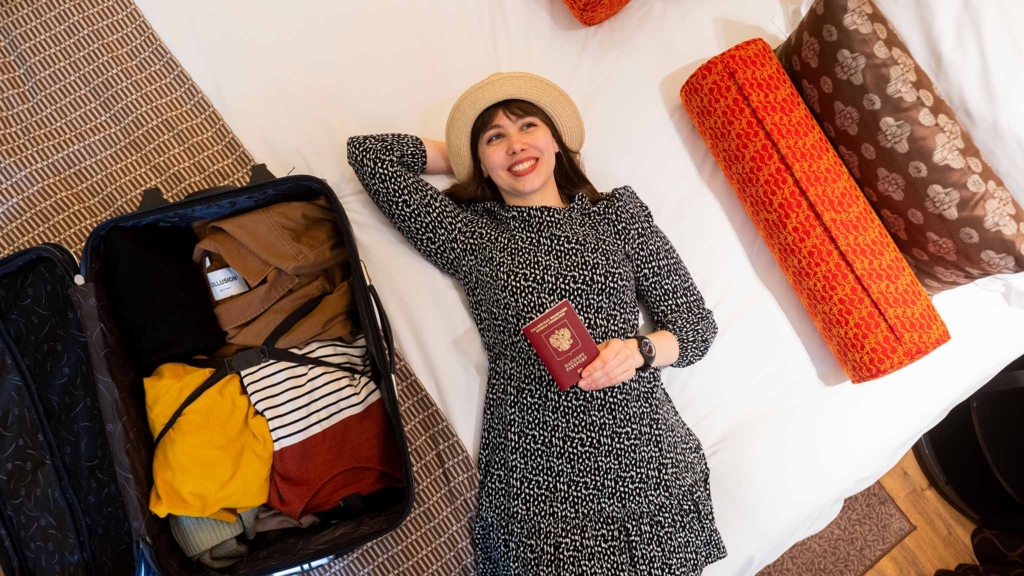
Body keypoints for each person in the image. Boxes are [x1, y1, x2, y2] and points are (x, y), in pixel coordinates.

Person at [348, 72, 726, 575]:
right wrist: (468, 159)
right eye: (495, 137)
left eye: (528, 126)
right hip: (539, 466)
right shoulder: (469, 236)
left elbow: (695, 326)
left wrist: (640, 350)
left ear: (557, 141)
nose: (515, 143)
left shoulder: (616, 217)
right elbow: (370, 155)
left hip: (641, 446)